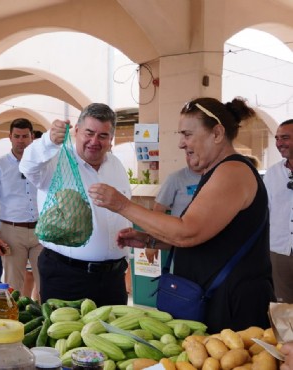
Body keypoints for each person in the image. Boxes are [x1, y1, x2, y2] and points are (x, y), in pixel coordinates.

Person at [88, 97, 274, 333]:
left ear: (217, 133)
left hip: (232, 305)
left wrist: (122, 205)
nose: (181, 144)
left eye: (187, 134)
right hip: (215, 297)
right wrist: (149, 240)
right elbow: (211, 237)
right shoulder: (217, 171)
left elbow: (188, 232)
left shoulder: (232, 171)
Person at [20, 103, 132, 306]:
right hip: (67, 276)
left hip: (112, 279)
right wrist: (47, 141)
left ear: (111, 139)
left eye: (103, 136)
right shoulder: (55, 160)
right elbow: (28, 165)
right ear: (77, 131)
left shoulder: (115, 165)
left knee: (110, 336)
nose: (94, 141)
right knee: (64, 336)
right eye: (89, 133)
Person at [0, 118, 42, 297]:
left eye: (25, 136)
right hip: (11, 231)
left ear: (32, 137)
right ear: (10, 137)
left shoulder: (42, 164)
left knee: (46, 281)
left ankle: (42, 321)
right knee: (13, 284)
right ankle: (13, 322)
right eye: (17, 136)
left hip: (42, 230)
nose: (21, 140)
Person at [263, 118, 293, 303]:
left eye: (285, 138)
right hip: (279, 251)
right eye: (277, 138)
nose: (279, 143)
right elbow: (264, 212)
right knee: (283, 309)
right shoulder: (273, 173)